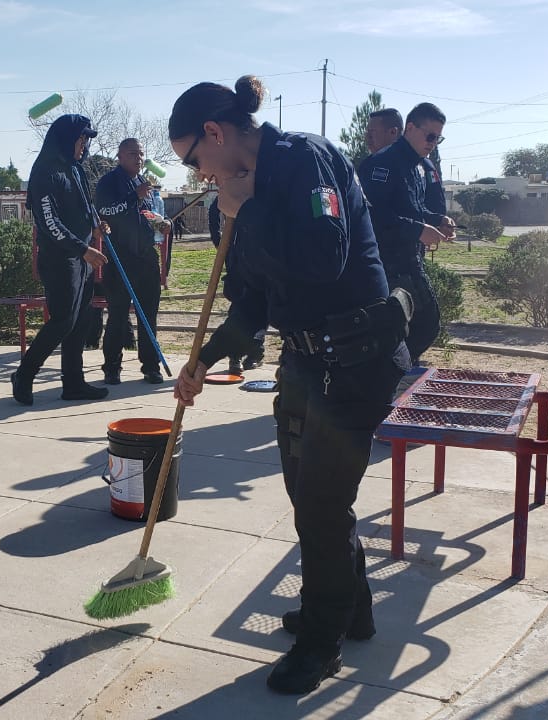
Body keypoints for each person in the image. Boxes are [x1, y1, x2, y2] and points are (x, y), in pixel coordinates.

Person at [169, 76, 411, 695]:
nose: (200, 175)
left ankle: (320, 644)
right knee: (312, 499)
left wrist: (247, 210)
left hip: (356, 361)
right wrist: (211, 355)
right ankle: (349, 610)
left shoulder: (305, 160)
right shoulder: (242, 187)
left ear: (216, 134)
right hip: (305, 362)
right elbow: (253, 296)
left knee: (323, 506)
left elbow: (321, 260)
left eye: (195, 160)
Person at [10, 114, 110, 405]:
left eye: (86, 140)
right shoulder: (46, 171)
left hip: (81, 257)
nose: (84, 145)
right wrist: (83, 248)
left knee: (79, 320)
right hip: (60, 258)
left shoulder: (75, 168)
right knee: (63, 320)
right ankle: (25, 374)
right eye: (81, 139)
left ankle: (74, 383)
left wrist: (95, 225)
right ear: (67, 139)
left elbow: (83, 204)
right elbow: (49, 222)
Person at [359, 103, 454, 365]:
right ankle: (387, 377)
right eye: (430, 136)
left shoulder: (418, 166)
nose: (434, 143)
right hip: (385, 263)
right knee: (418, 326)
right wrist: (418, 230)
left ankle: (391, 376)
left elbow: (414, 208)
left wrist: (437, 220)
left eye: (438, 137)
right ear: (410, 128)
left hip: (409, 259)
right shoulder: (382, 163)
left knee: (421, 326)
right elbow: (372, 215)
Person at [96, 138, 165, 385]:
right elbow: (106, 212)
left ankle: (151, 366)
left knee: (149, 315)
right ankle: (112, 366)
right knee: (117, 316)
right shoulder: (109, 182)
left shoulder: (142, 182)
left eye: (141, 153)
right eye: (133, 153)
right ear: (120, 156)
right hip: (120, 258)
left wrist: (160, 223)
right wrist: (133, 197)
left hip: (146, 257)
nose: (138, 158)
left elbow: (145, 213)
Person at [208, 198, 264, 374]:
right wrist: (219, 240)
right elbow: (214, 210)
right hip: (237, 263)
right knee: (238, 310)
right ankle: (235, 356)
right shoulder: (234, 191)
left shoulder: (260, 193)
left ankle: (255, 354)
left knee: (261, 310)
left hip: (260, 260)